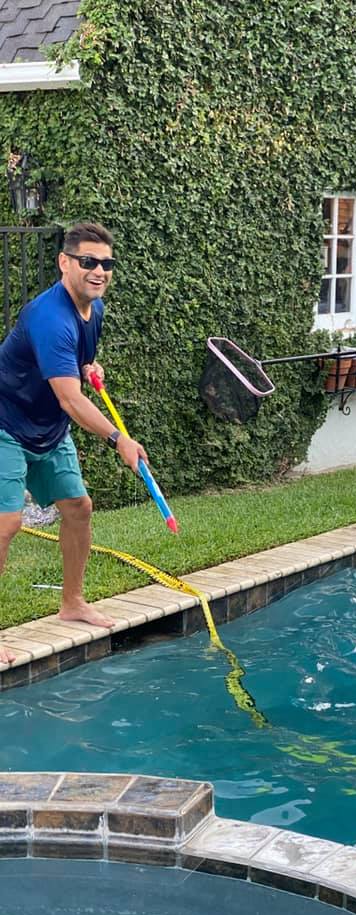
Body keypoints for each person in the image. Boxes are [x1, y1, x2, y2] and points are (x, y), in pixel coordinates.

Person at [0, 222, 148, 665]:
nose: (99, 270)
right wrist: (118, 438)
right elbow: (70, 399)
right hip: (5, 423)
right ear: (65, 262)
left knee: (78, 508)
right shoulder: (50, 317)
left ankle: (73, 603)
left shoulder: (93, 309)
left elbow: (76, 366)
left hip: (47, 428)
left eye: (106, 263)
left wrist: (88, 367)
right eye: (88, 261)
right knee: (6, 523)